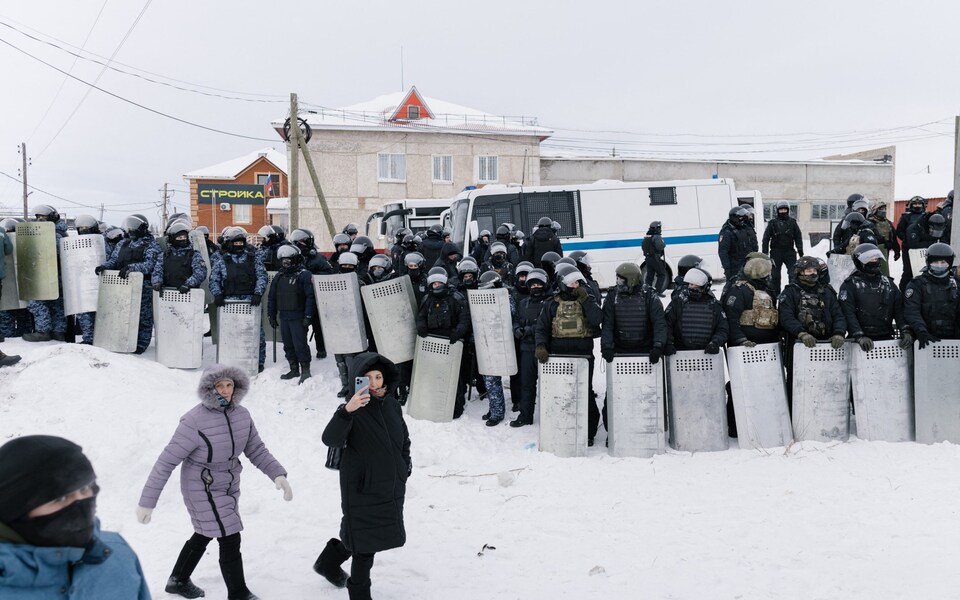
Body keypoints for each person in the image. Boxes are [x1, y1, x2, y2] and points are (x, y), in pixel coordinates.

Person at [137, 364, 292, 600]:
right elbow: (165, 462)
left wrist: (277, 474)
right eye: (219, 385)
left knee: (207, 531)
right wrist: (147, 502)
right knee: (229, 534)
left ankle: (177, 580)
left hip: (228, 483)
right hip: (201, 483)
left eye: (229, 385)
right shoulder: (193, 421)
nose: (225, 390)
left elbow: (256, 449)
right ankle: (238, 593)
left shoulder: (242, 415)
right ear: (209, 388)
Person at [0, 435, 150, 599]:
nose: (81, 505)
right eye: (61, 498)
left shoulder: (116, 554)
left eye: (85, 489)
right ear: (15, 508)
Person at [315, 352, 411, 600]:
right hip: (360, 486)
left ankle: (328, 563)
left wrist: (404, 466)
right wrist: (347, 411)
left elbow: (403, 438)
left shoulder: (391, 404)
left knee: (364, 535)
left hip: (389, 484)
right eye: (367, 378)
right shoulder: (352, 408)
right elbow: (330, 439)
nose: (374, 383)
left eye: (378, 376)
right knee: (365, 548)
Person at [535, 268, 603, 445]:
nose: (576, 286)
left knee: (585, 393)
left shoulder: (588, 300)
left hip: (583, 356)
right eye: (572, 283)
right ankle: (562, 426)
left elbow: (597, 320)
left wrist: (586, 300)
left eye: (578, 283)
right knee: (562, 393)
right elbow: (541, 327)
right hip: (559, 356)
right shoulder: (552, 303)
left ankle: (588, 433)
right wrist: (541, 346)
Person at [777, 256, 847, 405]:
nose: (813, 273)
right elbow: (785, 317)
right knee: (797, 387)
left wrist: (839, 333)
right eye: (808, 270)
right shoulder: (790, 293)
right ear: (799, 272)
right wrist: (801, 333)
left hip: (826, 346)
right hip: (798, 347)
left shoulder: (827, 291)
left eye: (815, 270)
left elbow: (838, 314)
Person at [95, 214, 162, 353]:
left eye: (134, 226)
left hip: (143, 285)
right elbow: (114, 260)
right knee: (123, 313)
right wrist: (104, 266)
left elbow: (150, 265)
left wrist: (131, 268)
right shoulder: (123, 243)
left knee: (143, 316)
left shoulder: (151, 244)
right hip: (122, 285)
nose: (131, 230)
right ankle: (122, 338)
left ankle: (141, 343)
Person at [209, 228, 268, 372]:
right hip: (229, 302)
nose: (238, 245)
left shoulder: (253, 259)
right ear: (229, 243)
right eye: (235, 242)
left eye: (241, 242)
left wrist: (258, 293)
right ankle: (230, 359)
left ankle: (258, 362)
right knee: (230, 333)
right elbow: (214, 280)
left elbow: (262, 276)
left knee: (255, 333)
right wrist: (217, 294)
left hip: (250, 301)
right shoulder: (222, 260)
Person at [416, 267, 472, 418]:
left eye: (440, 283)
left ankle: (456, 405)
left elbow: (464, 318)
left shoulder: (456, 298)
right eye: (434, 284)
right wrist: (421, 327)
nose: (437, 286)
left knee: (454, 376)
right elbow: (420, 315)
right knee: (434, 374)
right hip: (432, 341)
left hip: (452, 341)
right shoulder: (427, 299)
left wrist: (457, 333)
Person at [839, 243, 911, 352]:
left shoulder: (888, 284)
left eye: (876, 258)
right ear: (860, 261)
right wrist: (858, 335)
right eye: (870, 259)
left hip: (886, 338)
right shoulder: (849, 285)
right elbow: (848, 313)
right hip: (858, 342)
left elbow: (899, 310)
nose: (875, 261)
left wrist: (905, 330)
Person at [268, 245, 317, 384]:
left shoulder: (304, 275)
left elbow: (310, 297)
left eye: (288, 261)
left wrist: (308, 316)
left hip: (299, 317)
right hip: (284, 316)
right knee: (288, 345)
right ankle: (294, 369)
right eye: (284, 261)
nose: (286, 263)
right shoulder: (279, 276)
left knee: (300, 344)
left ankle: (305, 370)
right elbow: (272, 297)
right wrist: (271, 315)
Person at [23, 205, 69, 343]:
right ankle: (58, 332)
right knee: (57, 304)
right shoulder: (61, 232)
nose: (39, 220)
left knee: (35, 301)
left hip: (48, 274)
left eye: (42, 217)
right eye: (37, 217)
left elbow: (45, 253)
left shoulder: (53, 234)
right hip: (60, 275)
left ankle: (43, 331)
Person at [511, 268, 549, 427]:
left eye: (538, 284)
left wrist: (528, 330)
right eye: (532, 285)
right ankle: (526, 416)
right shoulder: (523, 303)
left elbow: (546, 325)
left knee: (548, 386)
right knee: (526, 384)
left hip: (545, 349)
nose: (535, 287)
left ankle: (550, 416)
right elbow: (516, 320)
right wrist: (517, 329)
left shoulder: (549, 302)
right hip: (526, 349)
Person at [476, 271, 515, 426]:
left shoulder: (506, 298)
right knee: (489, 378)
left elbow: (508, 316)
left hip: (500, 343)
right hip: (487, 341)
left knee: (493, 379)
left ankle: (498, 413)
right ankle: (494, 408)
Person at [903, 242, 960, 348]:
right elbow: (911, 310)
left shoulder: (956, 284)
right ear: (928, 262)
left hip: (954, 338)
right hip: (926, 337)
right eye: (935, 262)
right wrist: (921, 331)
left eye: (943, 262)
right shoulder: (917, 284)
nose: (939, 266)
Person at [664, 267, 728, 355]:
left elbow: (723, 328)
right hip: (680, 353)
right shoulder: (678, 302)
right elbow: (666, 324)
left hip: (706, 354)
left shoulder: (714, 306)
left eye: (694, 285)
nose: (690, 287)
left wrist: (715, 342)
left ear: (704, 287)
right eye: (689, 284)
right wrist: (668, 343)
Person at [151, 222, 207, 294]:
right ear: (172, 239)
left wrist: (188, 284)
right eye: (180, 237)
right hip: (168, 293)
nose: (183, 239)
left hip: (189, 294)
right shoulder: (164, 255)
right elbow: (157, 271)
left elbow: (200, 272)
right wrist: (157, 282)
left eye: (184, 237)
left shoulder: (194, 255)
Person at [762, 201, 804, 297]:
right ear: (777, 211)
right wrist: (765, 252)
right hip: (776, 252)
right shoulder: (772, 223)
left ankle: (792, 292)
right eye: (781, 210)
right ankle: (776, 294)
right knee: (775, 275)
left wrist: (800, 250)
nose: (783, 211)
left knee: (793, 273)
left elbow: (798, 236)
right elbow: (766, 238)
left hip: (789, 252)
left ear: (788, 210)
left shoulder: (792, 222)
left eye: (785, 209)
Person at [718, 206, 756, 287]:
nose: (742, 220)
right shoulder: (727, 231)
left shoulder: (744, 228)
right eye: (740, 217)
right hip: (734, 266)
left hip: (747, 263)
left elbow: (751, 244)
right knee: (733, 287)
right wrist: (727, 269)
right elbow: (723, 252)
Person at [867, 201, 900, 276]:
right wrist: (883, 241)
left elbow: (893, 236)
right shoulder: (870, 222)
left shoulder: (888, 222)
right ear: (875, 210)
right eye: (881, 209)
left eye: (885, 209)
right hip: (873, 250)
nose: (884, 211)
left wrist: (896, 250)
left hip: (885, 250)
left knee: (884, 269)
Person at [641, 221, 668, 296]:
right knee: (661, 274)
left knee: (650, 275)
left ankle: (647, 291)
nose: (660, 229)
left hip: (648, 258)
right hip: (655, 258)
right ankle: (657, 291)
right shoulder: (656, 236)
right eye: (659, 228)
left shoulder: (647, 236)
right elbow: (661, 246)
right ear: (657, 228)